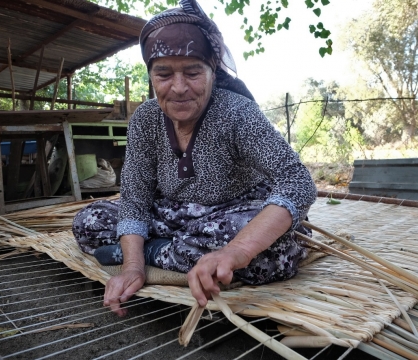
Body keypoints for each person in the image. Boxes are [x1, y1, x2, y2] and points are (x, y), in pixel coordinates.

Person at [72, 0, 317, 317]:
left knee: (277, 252)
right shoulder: (146, 119)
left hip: (231, 216)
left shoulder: (236, 113)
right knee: (87, 222)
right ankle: (157, 254)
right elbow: (135, 198)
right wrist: (132, 267)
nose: (178, 88)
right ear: (150, 75)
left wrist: (237, 250)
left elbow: (298, 183)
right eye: (163, 74)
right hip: (171, 215)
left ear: (212, 71)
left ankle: (159, 250)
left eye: (192, 72)